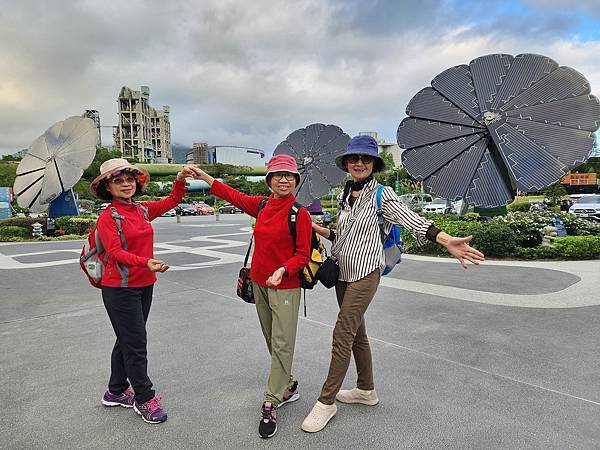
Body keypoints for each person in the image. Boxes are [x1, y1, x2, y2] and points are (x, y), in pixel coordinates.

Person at [301, 135, 485, 433]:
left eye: (366, 159)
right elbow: (340, 235)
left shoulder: (382, 195)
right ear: (346, 163)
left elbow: (413, 220)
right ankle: (366, 390)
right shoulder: (344, 194)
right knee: (357, 334)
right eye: (354, 158)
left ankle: (326, 402)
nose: (359, 163)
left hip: (365, 272)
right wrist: (313, 226)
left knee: (342, 332)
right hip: (342, 273)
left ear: (373, 163)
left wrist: (446, 239)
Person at [193, 154, 312, 439]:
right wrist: (205, 177)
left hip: (284, 287)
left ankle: (271, 400)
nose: (284, 179)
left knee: (282, 343)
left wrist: (283, 270)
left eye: (289, 176)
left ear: (295, 181)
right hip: (259, 283)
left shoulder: (300, 214)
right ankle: (289, 383)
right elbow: (232, 195)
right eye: (278, 175)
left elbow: (303, 254)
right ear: (269, 180)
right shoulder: (261, 205)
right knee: (271, 338)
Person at [90, 158, 198, 424]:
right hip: (120, 288)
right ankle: (144, 398)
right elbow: (115, 253)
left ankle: (115, 391)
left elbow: (172, 201)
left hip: (144, 284)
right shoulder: (108, 217)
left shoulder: (141, 210)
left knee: (127, 339)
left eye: (129, 179)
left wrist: (181, 179)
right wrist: (146, 262)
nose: (126, 184)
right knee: (136, 344)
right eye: (118, 181)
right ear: (108, 187)